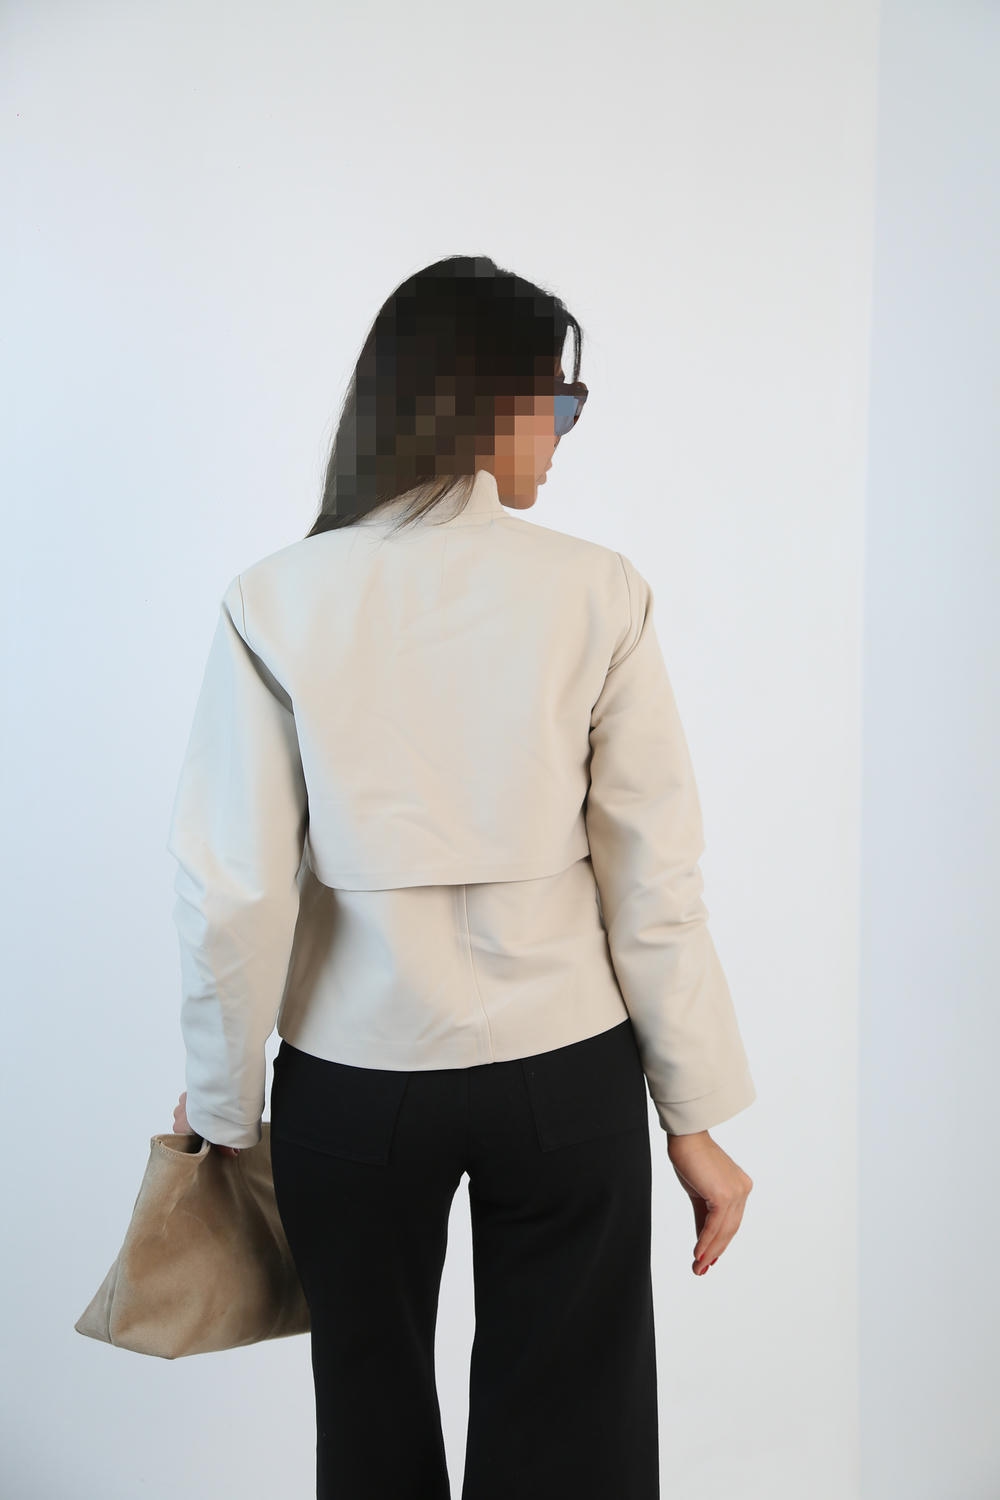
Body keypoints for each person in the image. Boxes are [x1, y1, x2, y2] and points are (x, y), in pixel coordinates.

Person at [167, 254, 756, 1500]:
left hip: (351, 1083)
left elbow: (235, 889)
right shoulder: (595, 590)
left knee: (369, 1428)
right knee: (574, 1442)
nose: (563, 436)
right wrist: (691, 1118)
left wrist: (222, 1106)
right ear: (488, 400)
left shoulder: (276, 598)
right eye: (560, 402)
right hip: (564, 1073)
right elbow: (652, 878)